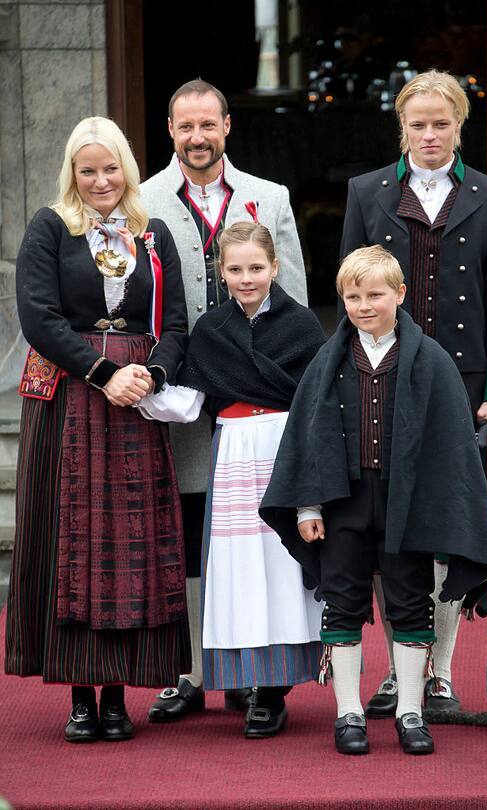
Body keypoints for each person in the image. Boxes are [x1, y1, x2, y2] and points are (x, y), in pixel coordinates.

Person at [260, 245, 487, 755]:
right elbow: (307, 437)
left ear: (400, 294)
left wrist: (443, 519)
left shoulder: (432, 360)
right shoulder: (328, 362)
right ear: (341, 299)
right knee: (343, 602)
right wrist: (306, 507)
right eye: (352, 296)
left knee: (409, 602)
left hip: (407, 506)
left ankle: (411, 712)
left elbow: (449, 449)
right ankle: (348, 713)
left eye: (375, 294)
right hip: (342, 504)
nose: (363, 305)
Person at [4, 116, 191, 743]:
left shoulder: (154, 233)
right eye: (88, 170)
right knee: (73, 539)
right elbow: (39, 316)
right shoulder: (51, 228)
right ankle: (81, 696)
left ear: (127, 169)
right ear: (72, 174)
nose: (101, 180)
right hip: (69, 400)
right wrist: (104, 371)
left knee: (128, 546)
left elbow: (178, 326)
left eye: (110, 168)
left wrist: (152, 374)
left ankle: (119, 695)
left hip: (135, 404)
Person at [339, 69, 487, 717]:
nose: (430, 134)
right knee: (389, 528)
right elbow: (348, 295)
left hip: (464, 386)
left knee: (446, 526)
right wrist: (343, 380)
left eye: (441, 123)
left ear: (459, 126)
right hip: (382, 378)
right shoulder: (367, 193)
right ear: (401, 128)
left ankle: (439, 673)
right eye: (418, 123)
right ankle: (396, 671)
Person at [140, 79, 308, 722]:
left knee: (257, 539)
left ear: (227, 125)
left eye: (208, 124)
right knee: (190, 535)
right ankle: (189, 670)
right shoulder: (145, 198)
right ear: (171, 128)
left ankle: (250, 670)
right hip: (186, 393)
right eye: (186, 126)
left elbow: (290, 299)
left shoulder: (271, 197)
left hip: (258, 407)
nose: (197, 137)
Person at [136, 221, 325, 737]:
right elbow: (190, 400)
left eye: (256, 268)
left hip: (284, 451)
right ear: (221, 272)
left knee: (282, 566)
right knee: (239, 567)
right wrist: (137, 386)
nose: (247, 278)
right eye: (236, 269)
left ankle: (272, 691)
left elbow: (316, 403)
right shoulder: (211, 331)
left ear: (276, 267)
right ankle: (244, 680)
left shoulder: (303, 324)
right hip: (235, 453)